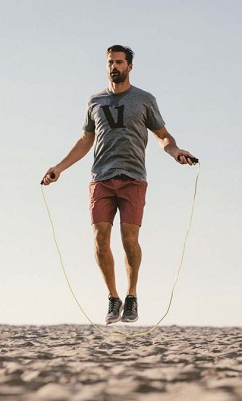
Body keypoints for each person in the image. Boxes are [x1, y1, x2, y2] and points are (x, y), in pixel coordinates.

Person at [41, 45, 197, 325]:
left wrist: (175, 152)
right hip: (100, 178)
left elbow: (163, 136)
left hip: (133, 178)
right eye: (110, 62)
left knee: (129, 240)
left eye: (120, 62)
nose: (114, 66)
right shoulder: (95, 101)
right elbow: (85, 140)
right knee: (100, 238)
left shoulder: (144, 99)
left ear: (130, 67)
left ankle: (132, 295)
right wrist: (59, 168)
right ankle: (113, 298)